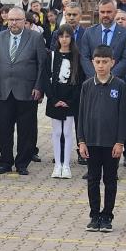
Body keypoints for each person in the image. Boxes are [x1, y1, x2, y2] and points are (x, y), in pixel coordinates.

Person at [77, 44, 126, 232]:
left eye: (105, 62)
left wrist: (120, 141)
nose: (101, 66)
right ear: (92, 62)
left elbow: (123, 117)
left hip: (111, 143)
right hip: (91, 142)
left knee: (110, 180)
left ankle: (107, 216)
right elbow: (81, 115)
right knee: (93, 179)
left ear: (112, 62)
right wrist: (81, 141)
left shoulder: (119, 86)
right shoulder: (87, 86)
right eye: (97, 62)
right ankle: (94, 215)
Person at [0, 8, 46, 175]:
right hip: (3, 91)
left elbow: (42, 64)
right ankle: (5, 162)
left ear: (24, 21)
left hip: (27, 91)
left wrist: (39, 87)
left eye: (17, 20)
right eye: (11, 20)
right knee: (3, 129)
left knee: (26, 131)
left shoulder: (35, 37)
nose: (13, 23)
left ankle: (22, 163)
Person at [44, 24, 83, 179]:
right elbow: (46, 78)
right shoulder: (52, 55)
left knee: (67, 132)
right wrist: (53, 99)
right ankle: (57, 165)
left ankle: (66, 165)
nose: (64, 39)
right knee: (56, 132)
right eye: (61, 36)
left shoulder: (77, 56)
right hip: (55, 99)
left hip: (70, 100)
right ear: (57, 38)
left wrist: (69, 101)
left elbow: (79, 82)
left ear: (72, 38)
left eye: (67, 36)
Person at [79, 0, 126, 82]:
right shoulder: (89, 33)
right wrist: (97, 78)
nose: (105, 15)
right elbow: (84, 58)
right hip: (93, 82)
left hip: (116, 82)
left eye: (109, 12)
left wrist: (109, 78)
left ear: (115, 12)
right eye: (102, 12)